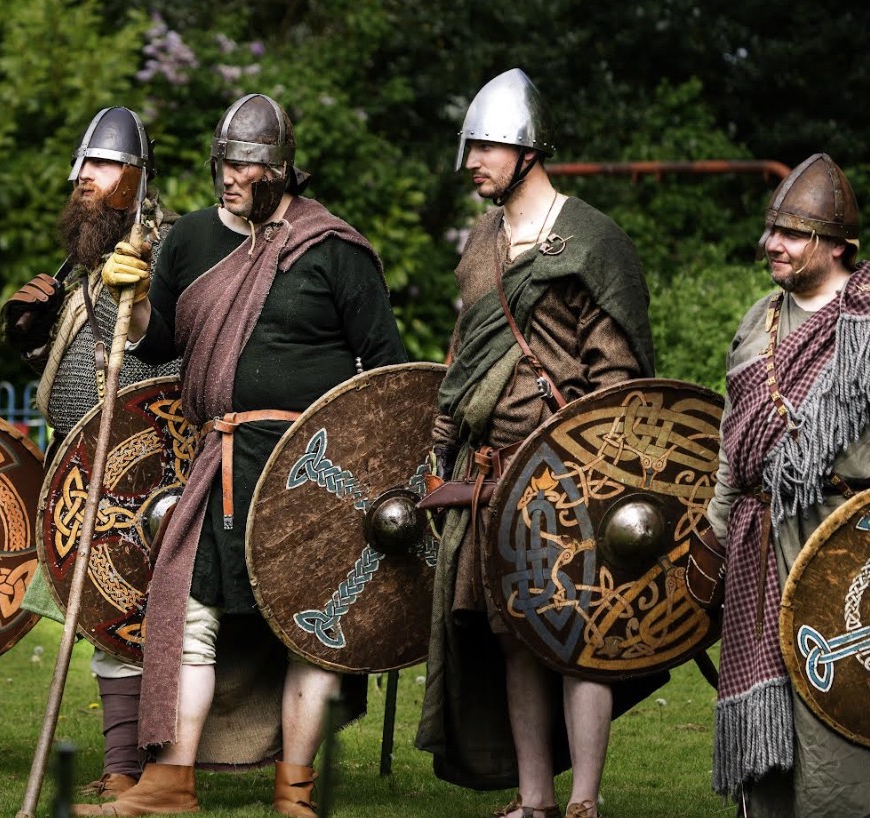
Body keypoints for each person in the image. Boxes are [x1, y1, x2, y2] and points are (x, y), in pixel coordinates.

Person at [90, 93, 407, 818]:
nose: (229, 175)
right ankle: (171, 781)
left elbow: (387, 372)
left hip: (314, 469)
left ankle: (294, 790)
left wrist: (391, 478)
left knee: (310, 623)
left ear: (281, 170)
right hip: (221, 459)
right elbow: (158, 343)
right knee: (190, 610)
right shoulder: (191, 239)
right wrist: (134, 302)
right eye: (223, 162)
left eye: (246, 165)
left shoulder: (331, 247)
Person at [414, 69, 655, 818]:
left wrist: (581, 452)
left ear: (525, 150)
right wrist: (440, 437)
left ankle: (583, 798)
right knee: (513, 632)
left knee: (574, 628)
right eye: (470, 147)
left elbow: (616, 375)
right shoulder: (481, 242)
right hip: (490, 476)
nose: (471, 162)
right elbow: (464, 354)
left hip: (569, 470)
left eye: (483, 147)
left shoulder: (590, 240)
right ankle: (533, 797)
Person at [0, 106, 179, 802]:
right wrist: (34, 339)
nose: (82, 179)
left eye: (99, 168)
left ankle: (140, 763)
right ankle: (120, 763)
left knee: (133, 618)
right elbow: (76, 364)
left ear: (134, 177)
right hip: (82, 465)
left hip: (144, 467)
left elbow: (166, 353)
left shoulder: (159, 255)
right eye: (82, 167)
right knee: (107, 618)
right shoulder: (84, 263)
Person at [703, 152, 870, 817]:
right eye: (772, 231)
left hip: (846, 545)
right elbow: (729, 436)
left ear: (834, 246)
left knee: (839, 711)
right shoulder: (756, 319)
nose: (770, 244)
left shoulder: (865, 323)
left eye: (791, 234)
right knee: (765, 717)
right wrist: (713, 531)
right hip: (757, 539)